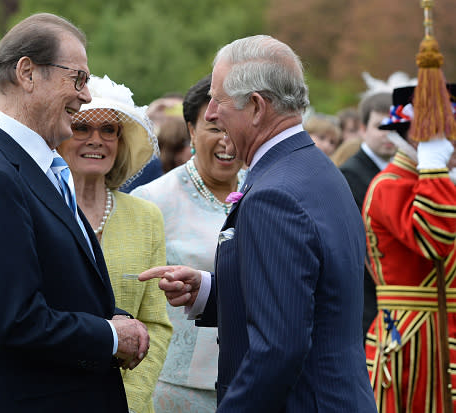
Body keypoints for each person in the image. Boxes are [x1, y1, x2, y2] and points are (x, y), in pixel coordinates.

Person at [139, 35, 377, 411]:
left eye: (218, 99)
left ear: (255, 107)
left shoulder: (275, 194)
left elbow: (279, 347)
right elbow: (304, 297)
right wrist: (209, 291)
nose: (212, 112)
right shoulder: (314, 168)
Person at [0, 13, 149, 413]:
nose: (86, 96)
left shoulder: (27, 165)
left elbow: (57, 287)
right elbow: (14, 321)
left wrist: (115, 320)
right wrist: (110, 337)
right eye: (79, 79)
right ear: (27, 73)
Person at [57, 74, 172, 413]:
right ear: (60, 136)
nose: (97, 140)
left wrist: (131, 400)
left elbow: (157, 324)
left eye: (108, 130)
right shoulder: (40, 210)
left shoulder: (146, 216)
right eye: (82, 129)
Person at [132, 74, 245, 413]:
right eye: (214, 128)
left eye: (233, 127)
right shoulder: (153, 200)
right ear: (191, 131)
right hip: (175, 385)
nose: (227, 141)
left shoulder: (266, 192)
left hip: (252, 378)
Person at [363, 84, 456, 411]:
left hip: (439, 336)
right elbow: (435, 239)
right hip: (414, 341)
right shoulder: (391, 185)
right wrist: (433, 168)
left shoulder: (438, 182)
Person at [339, 91, 395, 341]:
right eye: (380, 125)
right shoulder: (350, 174)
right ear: (362, 129)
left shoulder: (397, 172)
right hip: (366, 296)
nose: (388, 133)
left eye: (394, 125)